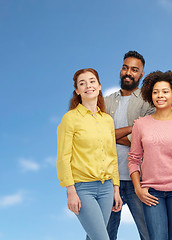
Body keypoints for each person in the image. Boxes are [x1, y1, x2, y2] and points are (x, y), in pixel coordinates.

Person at [128, 70, 172, 240]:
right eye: (155, 92)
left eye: (165, 91)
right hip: (151, 192)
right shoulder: (141, 124)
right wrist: (138, 189)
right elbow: (133, 160)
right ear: (150, 95)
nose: (160, 95)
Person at [57, 68, 122, 240]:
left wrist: (116, 189)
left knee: (93, 237)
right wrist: (70, 191)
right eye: (82, 83)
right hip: (83, 189)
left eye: (92, 81)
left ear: (99, 86)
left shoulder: (107, 120)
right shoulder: (70, 119)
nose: (88, 86)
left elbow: (112, 156)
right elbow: (63, 158)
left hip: (107, 188)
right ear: (77, 91)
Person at [105, 51, 154, 240]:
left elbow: (143, 141)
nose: (128, 72)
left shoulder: (149, 102)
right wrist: (132, 127)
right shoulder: (105, 101)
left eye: (134, 70)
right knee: (101, 235)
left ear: (141, 74)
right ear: (120, 69)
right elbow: (96, 136)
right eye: (125, 68)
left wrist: (110, 135)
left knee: (150, 234)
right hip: (109, 180)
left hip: (139, 181)